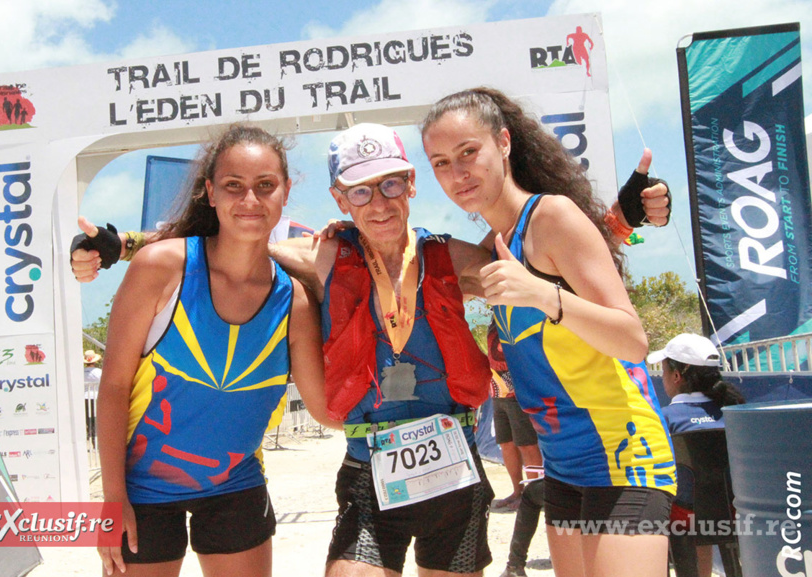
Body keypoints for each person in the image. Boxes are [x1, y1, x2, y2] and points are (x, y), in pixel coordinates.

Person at [71, 123, 670, 577]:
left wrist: (622, 220)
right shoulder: (322, 256)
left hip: (455, 467)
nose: (378, 203)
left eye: (390, 184)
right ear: (339, 199)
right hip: (369, 467)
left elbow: (544, 260)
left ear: (411, 184)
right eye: (360, 192)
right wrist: (118, 243)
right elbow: (230, 238)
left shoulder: (450, 257)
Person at [421, 87, 676, 577]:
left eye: (469, 152)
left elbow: (632, 340)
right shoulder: (495, 245)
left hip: (624, 455)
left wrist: (543, 295)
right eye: (441, 162)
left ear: (504, 143)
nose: (458, 173)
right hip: (563, 464)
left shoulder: (552, 216)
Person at [95, 123, 334, 577]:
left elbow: (325, 410)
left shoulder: (295, 302)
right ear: (209, 191)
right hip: (142, 490)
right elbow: (114, 386)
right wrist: (112, 498)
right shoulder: (161, 267)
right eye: (233, 186)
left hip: (235, 485)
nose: (250, 200)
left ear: (286, 191)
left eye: (265, 186)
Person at [647, 333, 745, 577]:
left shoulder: (663, 418)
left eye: (664, 369)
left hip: (685, 521)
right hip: (735, 514)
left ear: (677, 376)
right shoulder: (737, 413)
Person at [487, 320, 542, 514]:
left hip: (518, 394)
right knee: (506, 444)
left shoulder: (516, 319)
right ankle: (517, 492)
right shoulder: (493, 323)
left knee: (527, 444)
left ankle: (534, 496)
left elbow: (527, 355)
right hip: (497, 394)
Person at [84, 349, 103, 445]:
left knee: (88, 418)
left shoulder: (82, 372)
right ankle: (95, 439)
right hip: (95, 397)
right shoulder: (99, 372)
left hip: (85, 397)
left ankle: (90, 435)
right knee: (96, 418)